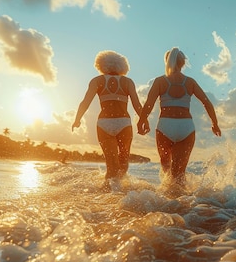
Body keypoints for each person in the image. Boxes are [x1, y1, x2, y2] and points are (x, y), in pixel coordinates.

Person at [137, 47, 221, 188]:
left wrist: (142, 121)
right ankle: (182, 204)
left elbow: (149, 104)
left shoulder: (160, 81)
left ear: (167, 62)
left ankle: (168, 201)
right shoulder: (190, 82)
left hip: (165, 126)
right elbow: (206, 102)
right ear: (182, 63)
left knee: (166, 166)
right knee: (179, 173)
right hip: (186, 127)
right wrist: (215, 123)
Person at [72, 50, 142, 190]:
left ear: (101, 65)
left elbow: (85, 102)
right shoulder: (127, 82)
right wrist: (143, 120)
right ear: (122, 66)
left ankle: (109, 192)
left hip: (104, 124)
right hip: (124, 123)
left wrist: (77, 119)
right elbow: (136, 104)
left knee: (111, 166)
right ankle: (117, 194)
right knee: (123, 163)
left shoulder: (97, 81)